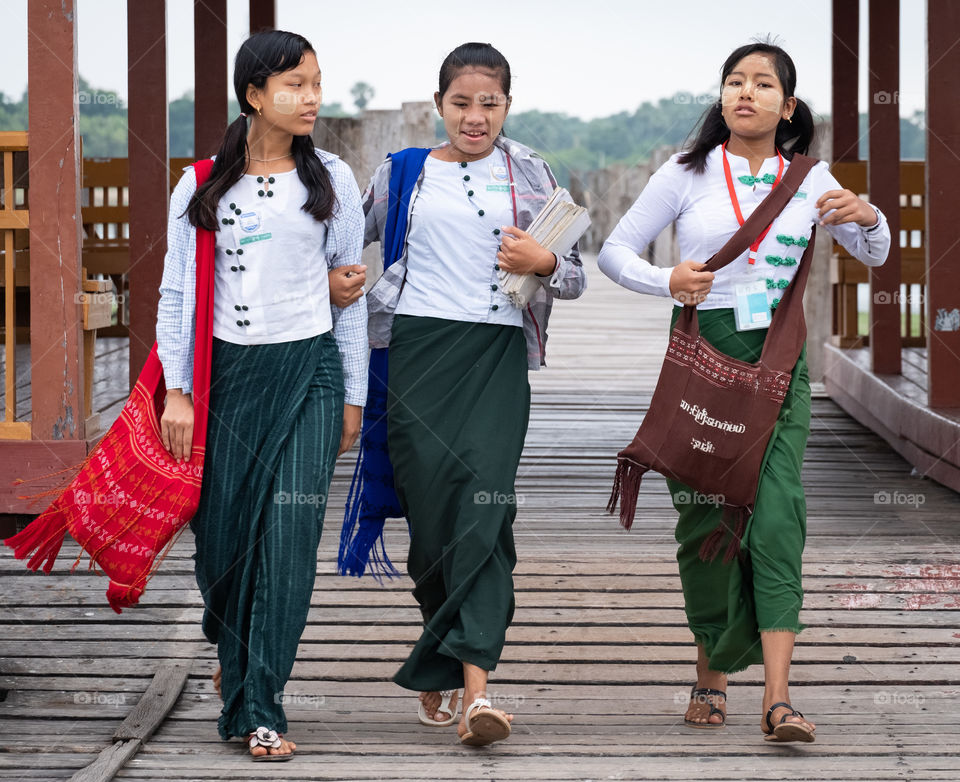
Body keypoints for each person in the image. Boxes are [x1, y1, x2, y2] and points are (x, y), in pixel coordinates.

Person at [598, 42, 890, 743]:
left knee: (779, 515)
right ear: (722, 96)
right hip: (704, 358)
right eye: (735, 81)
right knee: (708, 519)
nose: (745, 93)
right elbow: (615, 251)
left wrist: (869, 216)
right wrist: (666, 280)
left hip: (777, 364)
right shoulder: (686, 171)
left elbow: (873, 257)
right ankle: (710, 674)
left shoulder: (813, 177)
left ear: (787, 106)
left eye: (763, 84)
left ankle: (778, 698)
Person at [358, 42, 586, 746]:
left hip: (494, 356)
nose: (476, 116)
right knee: (431, 524)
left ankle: (480, 689)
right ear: (439, 106)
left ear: (508, 106)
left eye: (490, 103)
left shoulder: (532, 174)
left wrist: (544, 260)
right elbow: (337, 239)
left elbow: (574, 277)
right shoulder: (403, 175)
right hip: (416, 354)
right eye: (462, 103)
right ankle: (442, 660)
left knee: (485, 508)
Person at [155, 29, 367, 761]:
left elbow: (353, 293)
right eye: (295, 85)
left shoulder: (333, 178)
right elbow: (177, 293)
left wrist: (353, 397)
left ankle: (261, 705)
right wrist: (177, 391)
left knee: (288, 540)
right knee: (221, 551)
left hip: (308, 375)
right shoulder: (202, 183)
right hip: (225, 383)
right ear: (254, 94)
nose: (312, 98)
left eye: (317, 83)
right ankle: (232, 648)